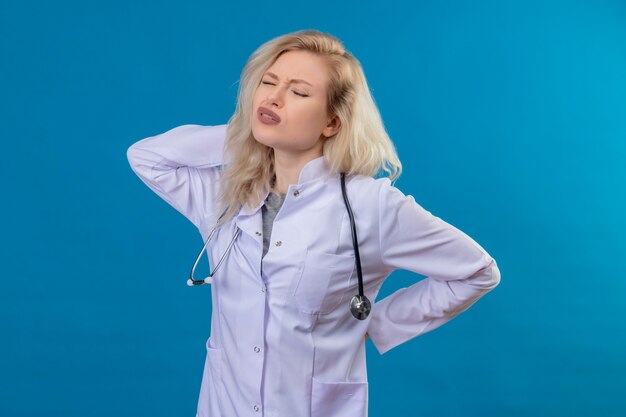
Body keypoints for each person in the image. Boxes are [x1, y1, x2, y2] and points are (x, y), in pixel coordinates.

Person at [127, 29, 501, 417]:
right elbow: (146, 156)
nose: (272, 97)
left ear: (332, 123)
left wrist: (379, 323)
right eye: (268, 82)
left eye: (298, 92)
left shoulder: (369, 206)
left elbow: (477, 272)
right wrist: (244, 136)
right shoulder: (225, 193)